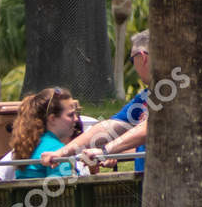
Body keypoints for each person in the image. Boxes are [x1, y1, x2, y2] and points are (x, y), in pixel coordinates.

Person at [44, 29, 153, 172]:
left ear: (143, 57)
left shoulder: (176, 91)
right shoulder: (146, 97)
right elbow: (109, 127)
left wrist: (106, 151)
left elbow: (149, 128)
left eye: (132, 60)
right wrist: (63, 152)